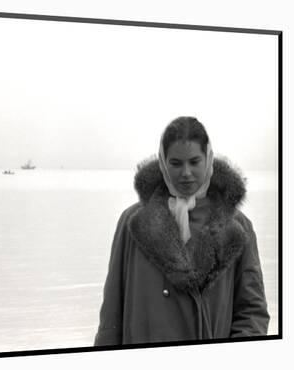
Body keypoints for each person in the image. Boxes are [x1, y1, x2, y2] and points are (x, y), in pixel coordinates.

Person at [94, 116, 269, 346]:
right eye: (176, 163)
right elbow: (111, 314)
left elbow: (252, 312)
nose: (186, 173)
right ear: (163, 163)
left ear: (209, 159)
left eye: (194, 161)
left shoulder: (238, 227)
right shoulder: (132, 221)